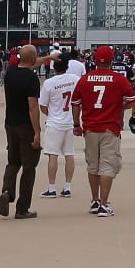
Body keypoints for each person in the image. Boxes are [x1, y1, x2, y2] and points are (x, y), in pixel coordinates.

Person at [71, 45, 135, 218]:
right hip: (110, 127)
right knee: (108, 165)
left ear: (94, 60)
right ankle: (103, 203)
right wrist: (119, 108)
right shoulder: (118, 79)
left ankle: (94, 200)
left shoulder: (85, 79)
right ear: (111, 61)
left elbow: (75, 102)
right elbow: (132, 98)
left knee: (93, 165)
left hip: (90, 128)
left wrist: (76, 124)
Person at [0, 44, 42, 220]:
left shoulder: (11, 73)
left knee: (13, 162)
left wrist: (46, 59)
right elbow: (33, 106)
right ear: (33, 58)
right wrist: (37, 132)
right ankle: (22, 208)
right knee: (29, 166)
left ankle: (7, 191)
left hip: (10, 124)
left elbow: (31, 61)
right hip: (25, 126)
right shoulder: (31, 78)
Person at [39, 53, 79, 199]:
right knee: (69, 154)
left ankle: (51, 187)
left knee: (52, 155)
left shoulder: (49, 83)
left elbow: (42, 105)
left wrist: (51, 114)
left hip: (55, 122)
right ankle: (67, 187)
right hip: (70, 121)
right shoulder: (75, 80)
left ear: (53, 67)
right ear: (67, 66)